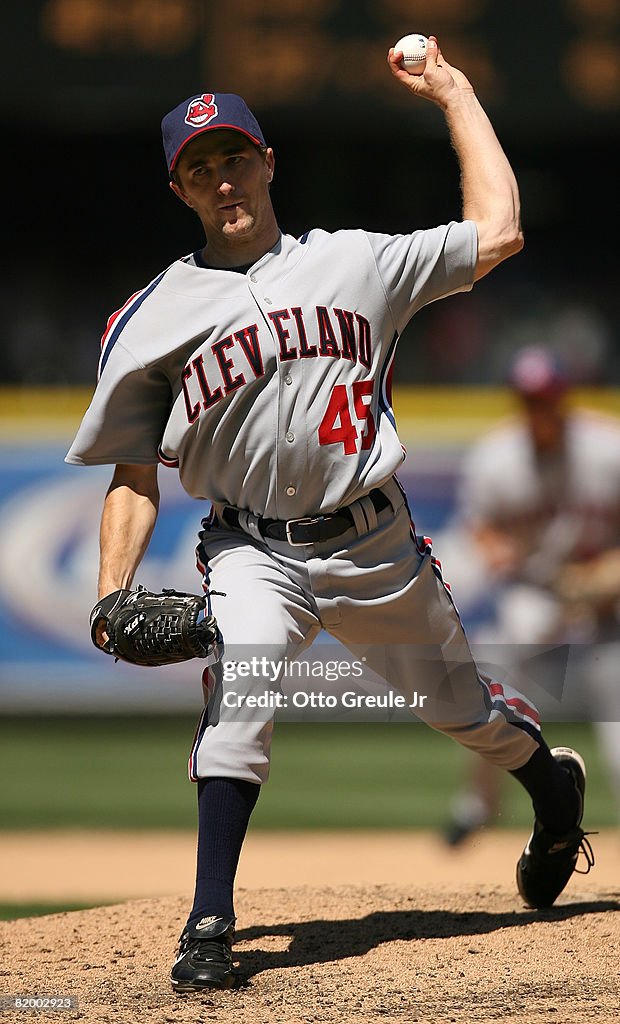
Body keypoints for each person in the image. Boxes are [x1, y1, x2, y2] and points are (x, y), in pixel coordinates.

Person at [66, 39, 594, 993]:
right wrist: (109, 595)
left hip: (377, 543)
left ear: (268, 163)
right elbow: (132, 474)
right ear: (177, 189)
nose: (221, 178)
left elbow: (501, 230)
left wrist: (456, 92)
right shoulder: (147, 318)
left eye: (233, 157)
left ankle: (551, 787)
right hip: (251, 547)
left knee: (461, 711)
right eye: (199, 167)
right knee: (243, 697)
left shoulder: (356, 264)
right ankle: (210, 922)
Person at [442, 345, 620, 846]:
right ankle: (478, 803)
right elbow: (480, 529)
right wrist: (496, 549)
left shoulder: (608, 449)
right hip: (538, 592)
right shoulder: (497, 458)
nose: (537, 408)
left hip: (606, 602)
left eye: (545, 398)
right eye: (528, 399)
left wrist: (609, 574)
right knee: (497, 675)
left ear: (563, 398)